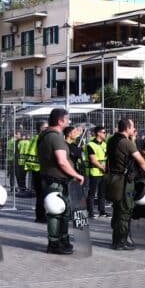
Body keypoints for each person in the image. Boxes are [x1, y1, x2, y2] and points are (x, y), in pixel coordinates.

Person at [39, 109, 85, 255]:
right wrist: (77, 175)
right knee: (56, 212)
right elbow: (62, 162)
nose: (68, 122)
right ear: (60, 121)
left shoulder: (46, 135)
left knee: (63, 212)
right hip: (55, 181)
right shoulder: (55, 137)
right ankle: (54, 243)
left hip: (55, 180)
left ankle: (62, 240)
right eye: (67, 119)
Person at [105, 118, 145, 250]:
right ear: (127, 128)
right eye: (132, 127)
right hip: (124, 181)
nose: (134, 129)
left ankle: (116, 239)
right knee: (125, 211)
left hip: (113, 179)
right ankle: (121, 242)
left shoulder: (111, 140)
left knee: (117, 210)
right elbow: (140, 160)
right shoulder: (126, 143)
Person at [25, 121, 48, 223]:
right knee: (42, 195)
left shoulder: (34, 138)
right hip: (41, 170)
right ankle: (41, 216)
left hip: (35, 169)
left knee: (40, 195)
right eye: (46, 127)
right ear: (42, 129)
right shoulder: (41, 139)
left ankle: (40, 216)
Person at [85, 126, 109, 218]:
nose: (105, 134)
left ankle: (102, 211)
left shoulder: (104, 144)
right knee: (92, 193)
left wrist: (105, 168)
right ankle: (90, 212)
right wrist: (102, 168)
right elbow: (93, 160)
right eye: (104, 132)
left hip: (103, 172)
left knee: (102, 193)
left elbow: (106, 158)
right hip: (94, 172)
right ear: (98, 133)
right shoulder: (90, 145)